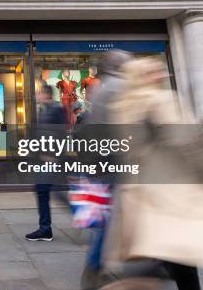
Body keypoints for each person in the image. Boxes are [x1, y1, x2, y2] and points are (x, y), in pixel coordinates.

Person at [104, 57, 203, 290]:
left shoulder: (124, 107)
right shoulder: (162, 100)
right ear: (145, 77)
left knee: (166, 249)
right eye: (155, 72)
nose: (162, 75)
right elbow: (188, 144)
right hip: (174, 188)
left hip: (145, 193)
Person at [78, 50, 132, 290]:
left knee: (104, 215)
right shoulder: (121, 86)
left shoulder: (100, 89)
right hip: (117, 159)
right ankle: (96, 265)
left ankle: (97, 264)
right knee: (112, 215)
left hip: (101, 160)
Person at [25, 84, 67, 241]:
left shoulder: (56, 109)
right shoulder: (45, 110)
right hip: (43, 159)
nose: (37, 96)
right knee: (48, 190)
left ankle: (45, 229)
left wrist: (54, 155)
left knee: (44, 190)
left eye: (39, 93)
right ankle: (45, 228)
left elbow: (61, 134)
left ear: (46, 94)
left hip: (51, 159)